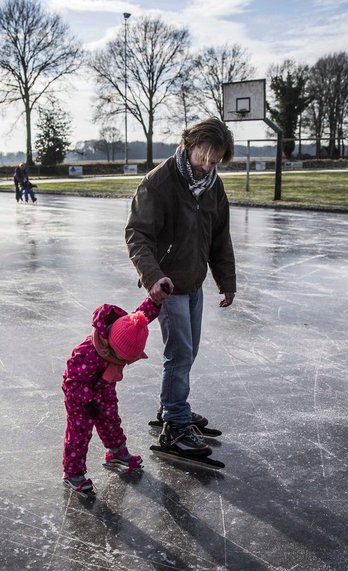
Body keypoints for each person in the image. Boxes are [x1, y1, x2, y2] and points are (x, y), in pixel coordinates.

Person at [124, 117, 237, 458]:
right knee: (179, 353)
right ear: (189, 145)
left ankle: (171, 407)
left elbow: (220, 238)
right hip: (168, 284)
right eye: (203, 157)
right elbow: (137, 235)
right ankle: (174, 423)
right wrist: (152, 276)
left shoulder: (213, 187)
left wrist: (226, 280)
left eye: (215, 161)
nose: (206, 166)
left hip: (194, 282)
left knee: (190, 351)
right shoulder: (159, 182)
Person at [61, 290, 169, 495]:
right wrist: (86, 402)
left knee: (111, 418)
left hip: (103, 387)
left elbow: (140, 316)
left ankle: (116, 451)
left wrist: (154, 301)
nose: (123, 363)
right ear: (110, 346)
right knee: (80, 432)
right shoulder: (87, 353)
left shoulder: (124, 327)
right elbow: (72, 381)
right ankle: (73, 473)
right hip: (80, 397)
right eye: (121, 358)